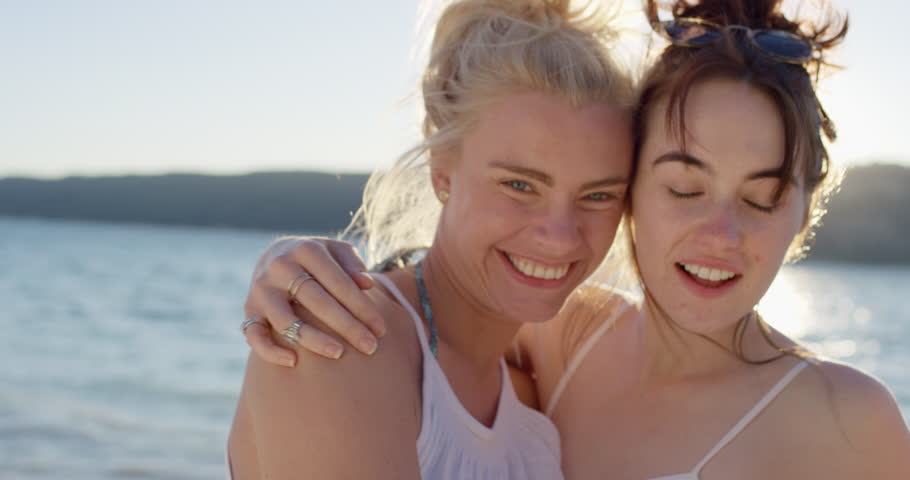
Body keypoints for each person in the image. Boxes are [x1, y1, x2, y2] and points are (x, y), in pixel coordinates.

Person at [239, 0, 910, 478]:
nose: (721, 235)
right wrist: (300, 267)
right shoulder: (563, 342)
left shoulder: (850, 421)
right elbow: (434, 310)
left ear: (803, 217)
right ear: (636, 194)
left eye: (762, 200)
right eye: (682, 188)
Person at [227, 0, 636, 478]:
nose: (560, 237)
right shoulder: (340, 338)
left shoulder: (535, 400)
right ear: (442, 171)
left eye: (598, 195)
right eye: (519, 185)